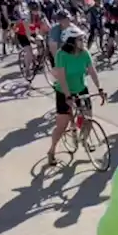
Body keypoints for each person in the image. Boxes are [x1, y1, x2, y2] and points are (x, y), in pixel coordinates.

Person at [46, 27, 106, 166]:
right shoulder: (61, 55)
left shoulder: (84, 53)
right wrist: (67, 96)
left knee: (88, 119)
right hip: (64, 91)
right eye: (80, 39)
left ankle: (84, 140)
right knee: (62, 126)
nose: (83, 41)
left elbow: (92, 70)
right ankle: (52, 151)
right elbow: (61, 77)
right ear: (71, 41)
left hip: (80, 88)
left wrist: (100, 87)